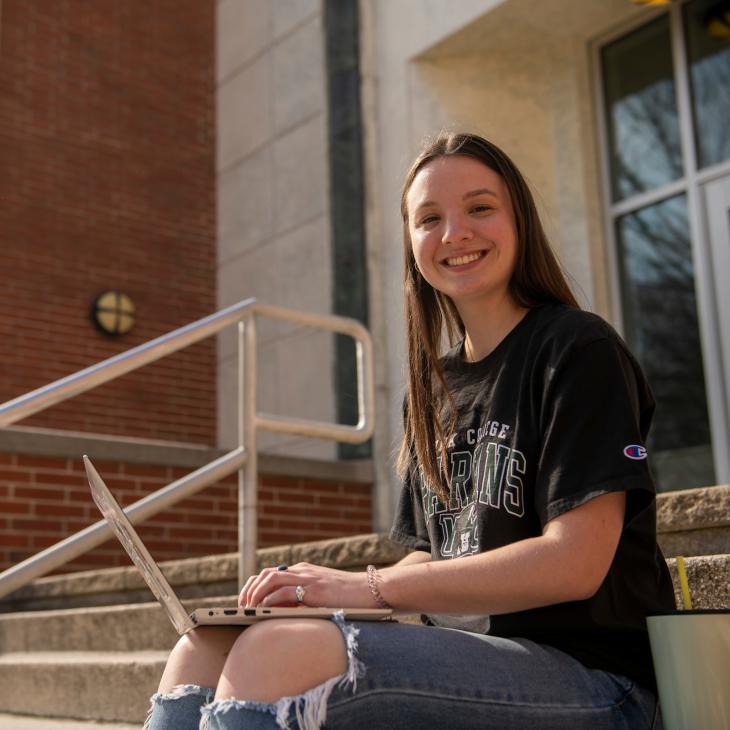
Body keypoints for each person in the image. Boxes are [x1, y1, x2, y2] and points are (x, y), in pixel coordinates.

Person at [145, 132, 675, 730]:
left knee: (277, 653)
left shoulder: (577, 349)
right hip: (474, 659)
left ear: (519, 221)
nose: (455, 233)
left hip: (600, 681)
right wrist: (310, 591)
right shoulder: (433, 389)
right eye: (430, 218)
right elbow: (434, 553)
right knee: (204, 647)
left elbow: (575, 563)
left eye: (480, 208)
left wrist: (361, 587)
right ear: (412, 244)